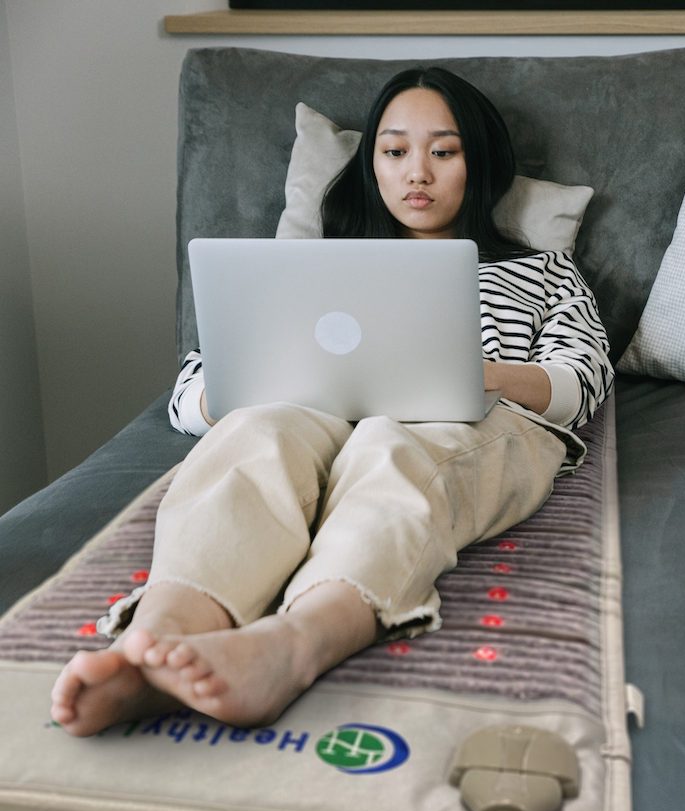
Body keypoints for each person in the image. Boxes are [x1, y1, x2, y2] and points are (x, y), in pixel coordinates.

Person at [49, 68, 613, 737]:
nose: (418, 173)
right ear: (371, 163)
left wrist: (478, 372)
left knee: (391, 446)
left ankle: (295, 644)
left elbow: (582, 381)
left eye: (444, 150)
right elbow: (193, 393)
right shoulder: (310, 268)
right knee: (259, 431)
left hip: (473, 419)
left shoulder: (542, 270)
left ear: (478, 162)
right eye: (395, 150)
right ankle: (155, 641)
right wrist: (246, 388)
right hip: (316, 413)